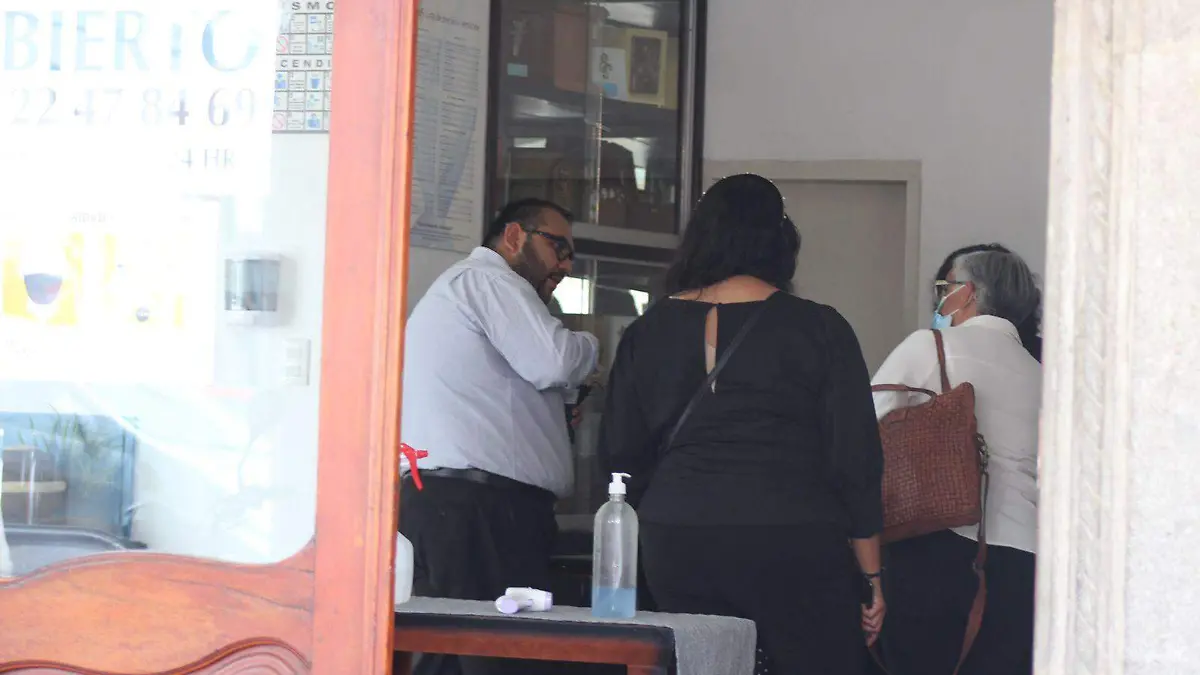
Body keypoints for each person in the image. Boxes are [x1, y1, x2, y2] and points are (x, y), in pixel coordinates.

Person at [598, 173, 886, 674]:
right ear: (780, 239)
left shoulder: (647, 330)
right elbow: (854, 460)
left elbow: (621, 453)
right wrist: (871, 576)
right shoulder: (820, 328)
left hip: (677, 535)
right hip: (792, 532)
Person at [399, 198, 600, 675]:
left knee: (458, 658)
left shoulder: (472, 292)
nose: (565, 266)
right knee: (496, 658)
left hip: (465, 505)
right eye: (558, 248)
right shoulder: (488, 280)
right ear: (514, 237)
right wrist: (591, 345)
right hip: (477, 508)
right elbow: (554, 361)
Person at [873, 248, 1042, 675]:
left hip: (938, 545)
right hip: (1025, 559)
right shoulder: (1042, 376)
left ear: (966, 293)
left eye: (945, 287)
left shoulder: (931, 345)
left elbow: (864, 432)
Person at [935, 244, 1042, 361]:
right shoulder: (1041, 362)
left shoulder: (937, 350)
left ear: (968, 293)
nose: (941, 302)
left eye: (946, 289)